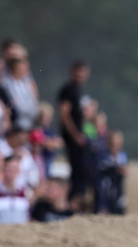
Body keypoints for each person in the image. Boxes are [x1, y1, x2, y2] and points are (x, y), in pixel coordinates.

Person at [57, 60, 90, 210]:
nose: (80, 76)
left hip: (79, 137)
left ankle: (78, 201)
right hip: (73, 138)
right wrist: (76, 135)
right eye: (77, 73)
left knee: (81, 170)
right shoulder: (68, 90)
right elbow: (64, 114)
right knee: (77, 170)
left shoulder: (78, 90)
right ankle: (73, 203)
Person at [0, 154, 28, 224]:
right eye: (10, 169)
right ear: (3, 169)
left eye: (15, 168)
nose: (12, 171)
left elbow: (25, 218)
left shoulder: (22, 193)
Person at [1, 55, 38, 130]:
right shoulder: (5, 84)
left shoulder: (27, 83)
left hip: (30, 120)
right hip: (16, 123)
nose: (23, 70)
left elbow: (33, 100)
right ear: (13, 69)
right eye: (20, 68)